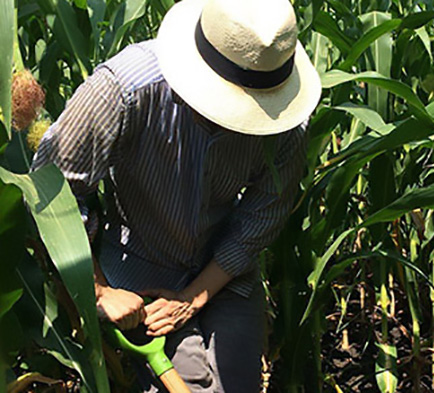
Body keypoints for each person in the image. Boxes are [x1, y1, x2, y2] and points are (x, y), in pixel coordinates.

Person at [31, 0, 321, 391]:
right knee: (191, 381)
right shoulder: (125, 89)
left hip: (222, 268)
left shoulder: (284, 114)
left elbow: (261, 216)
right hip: (139, 273)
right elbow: (53, 194)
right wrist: (98, 290)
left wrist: (194, 296)